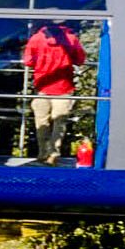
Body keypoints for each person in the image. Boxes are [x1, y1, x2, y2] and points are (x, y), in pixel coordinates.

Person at [25, 20, 84, 164]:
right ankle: (53, 154)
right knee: (60, 123)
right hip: (64, 87)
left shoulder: (36, 38)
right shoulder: (71, 38)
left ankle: (42, 152)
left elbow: (28, 61)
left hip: (42, 86)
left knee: (41, 121)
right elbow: (80, 59)